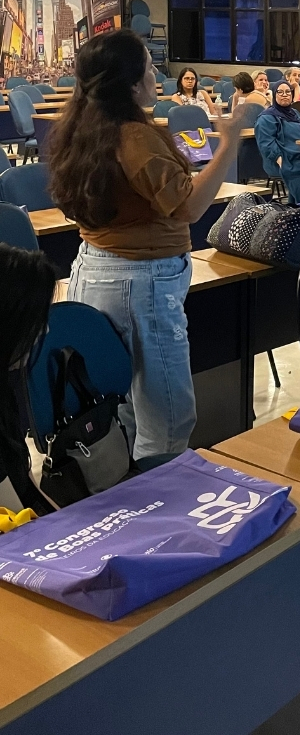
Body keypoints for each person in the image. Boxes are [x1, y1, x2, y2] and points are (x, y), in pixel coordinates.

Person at [48, 29, 244, 468]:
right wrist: (228, 145)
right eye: (150, 68)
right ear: (132, 83)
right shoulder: (134, 137)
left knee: (125, 412)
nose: (157, 75)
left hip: (98, 271)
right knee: (167, 419)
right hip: (138, 285)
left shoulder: (83, 126)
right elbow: (190, 207)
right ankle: (157, 514)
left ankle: (128, 498)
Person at [0, 245, 57, 516]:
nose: (43, 330)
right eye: (35, 320)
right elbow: (12, 520)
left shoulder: (6, 383)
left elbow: (25, 490)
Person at [254, 81, 300, 204]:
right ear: (274, 95)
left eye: (288, 92)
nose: (284, 95)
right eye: (280, 92)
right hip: (286, 160)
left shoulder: (295, 114)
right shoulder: (267, 118)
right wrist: (282, 162)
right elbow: (267, 144)